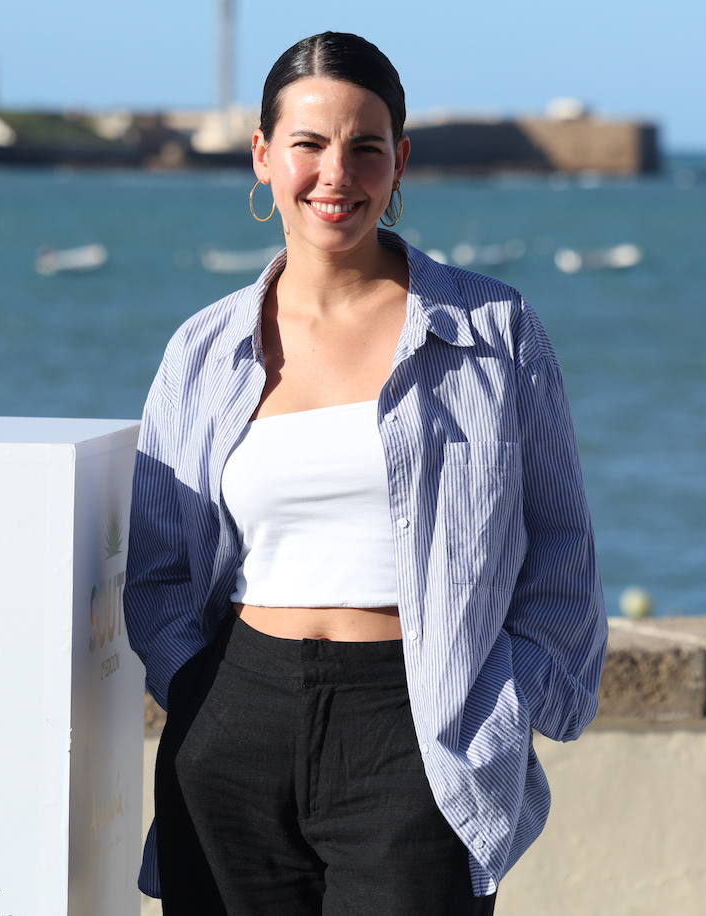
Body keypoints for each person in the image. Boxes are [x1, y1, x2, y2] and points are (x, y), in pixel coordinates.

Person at [122, 31, 608, 916]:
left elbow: (561, 549)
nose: (335, 174)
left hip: (414, 730)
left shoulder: (493, 330)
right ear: (265, 158)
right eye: (307, 145)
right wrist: (195, 687)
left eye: (365, 147)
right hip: (233, 721)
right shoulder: (203, 351)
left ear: (399, 163)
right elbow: (156, 567)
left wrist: (501, 705)